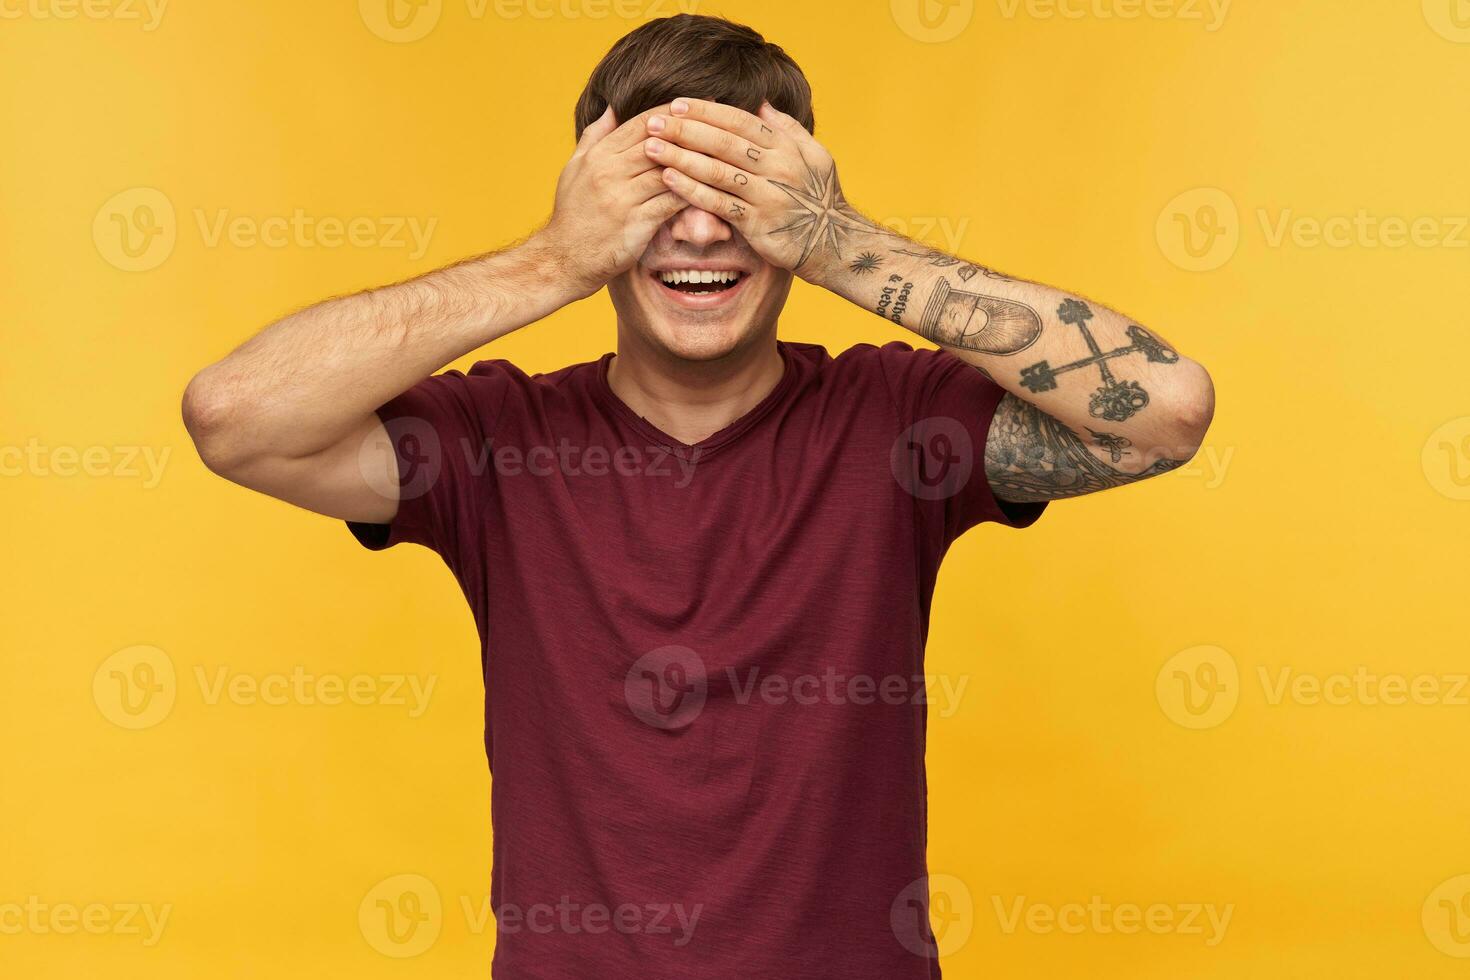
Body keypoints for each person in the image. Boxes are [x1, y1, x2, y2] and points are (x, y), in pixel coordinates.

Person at [182, 13, 1213, 978]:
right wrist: (553, 257)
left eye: (742, 200)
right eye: (655, 199)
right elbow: (234, 415)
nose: (703, 235)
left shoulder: (901, 423)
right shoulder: (497, 442)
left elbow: (1165, 409)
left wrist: (838, 241)